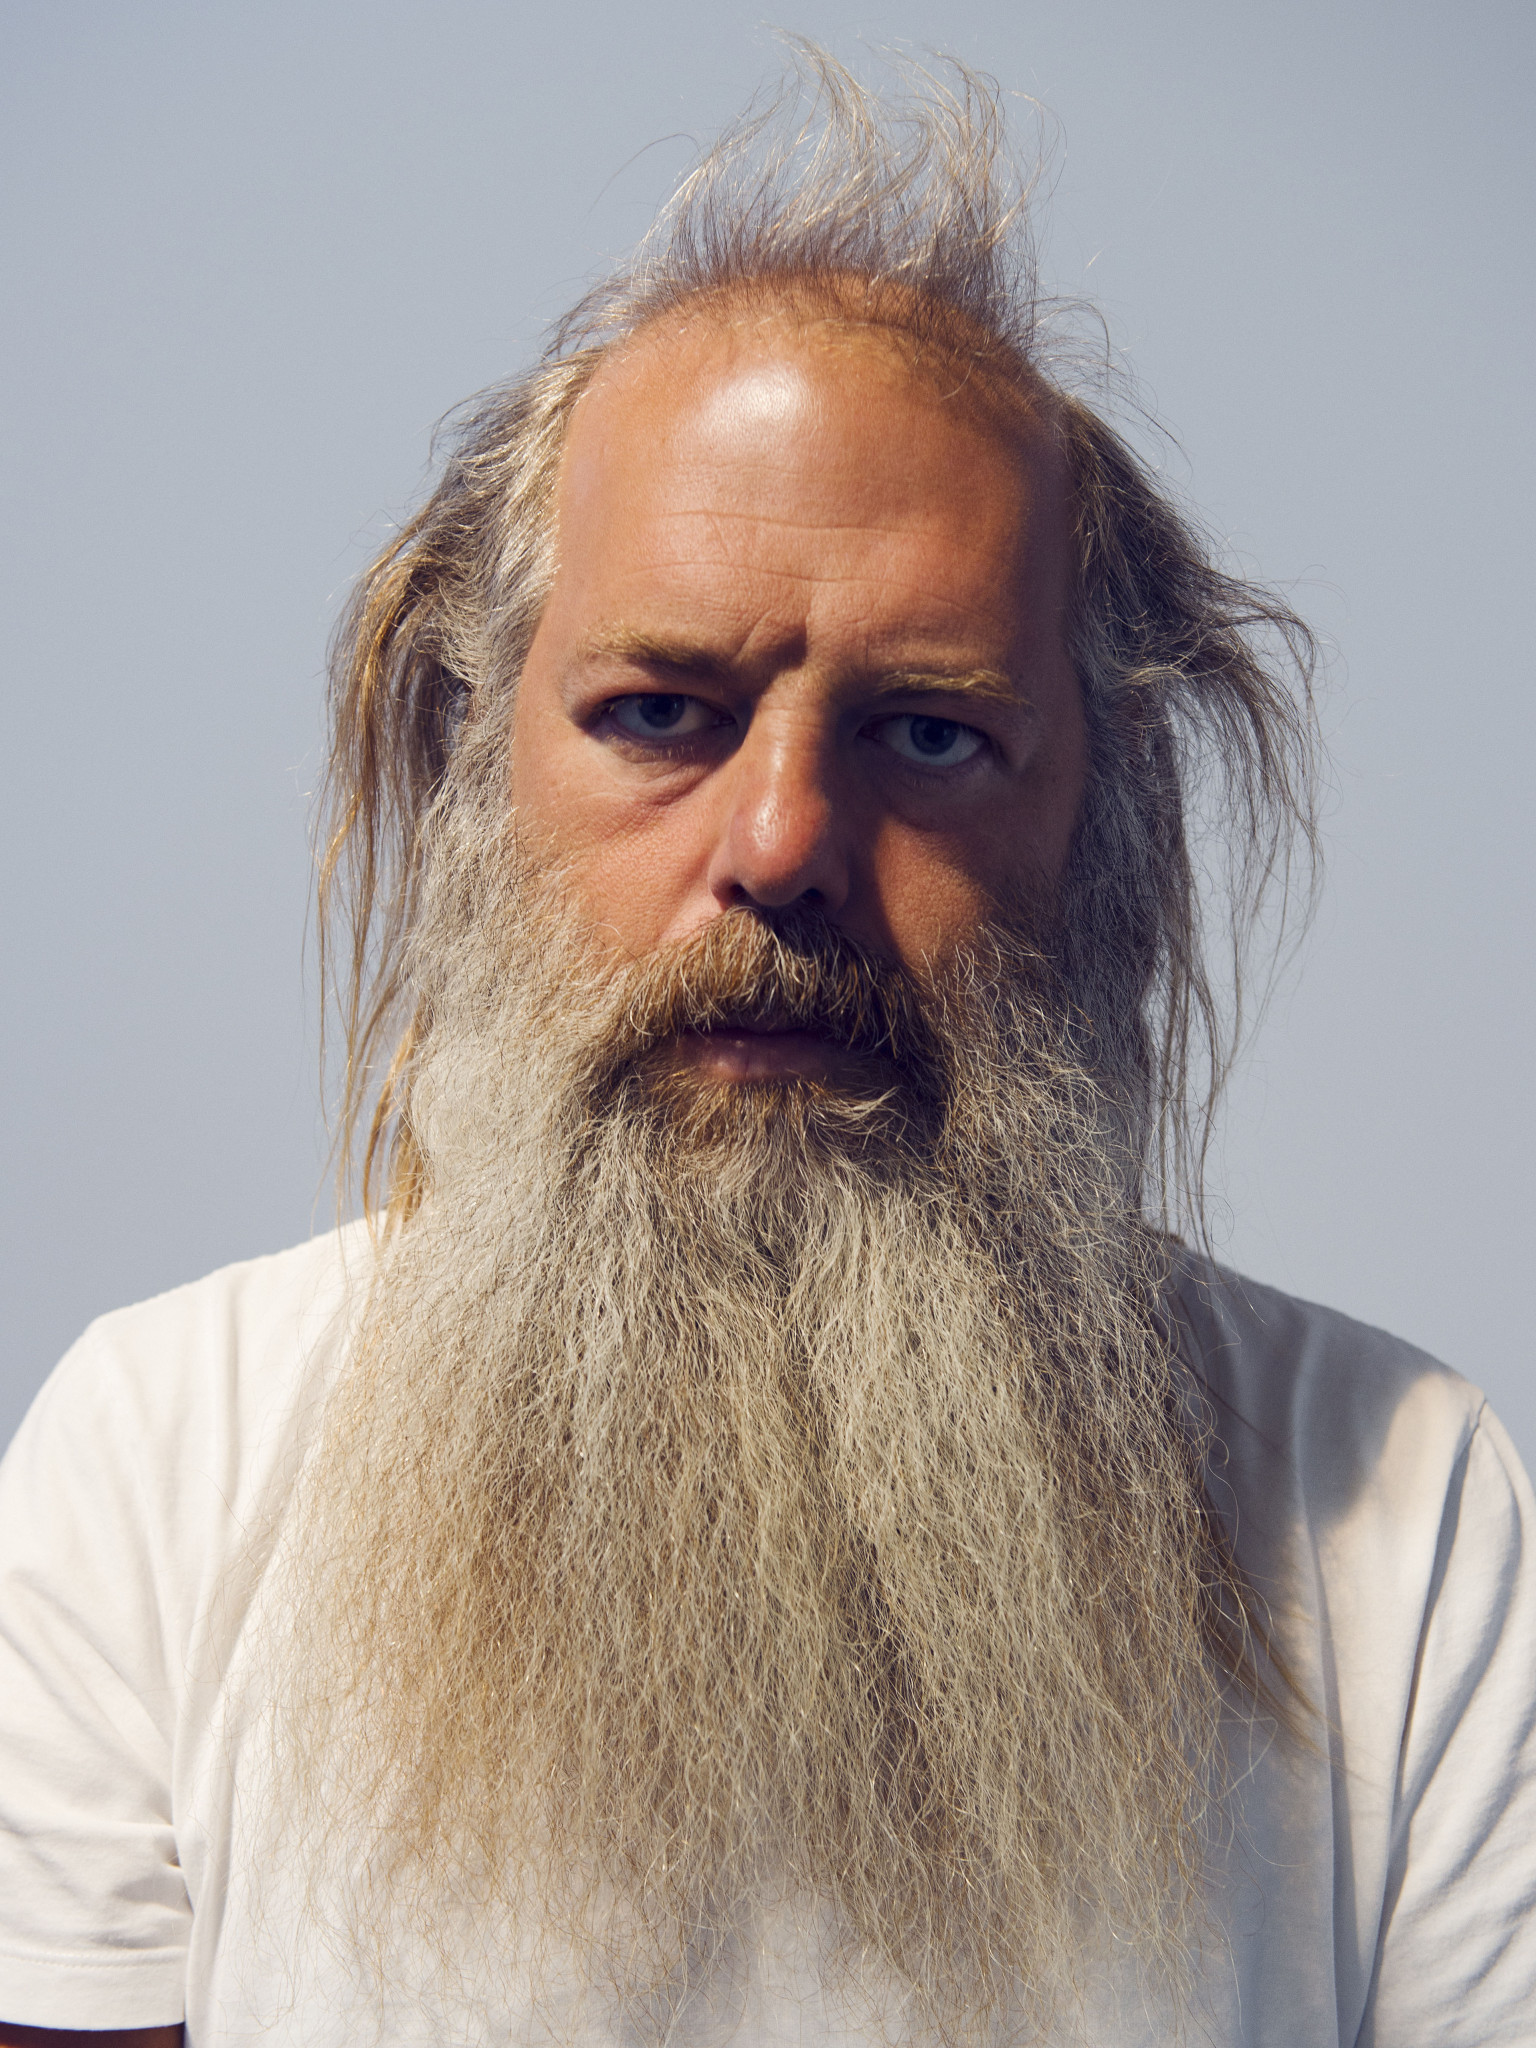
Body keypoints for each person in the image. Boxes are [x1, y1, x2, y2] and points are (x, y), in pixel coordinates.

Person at [1, 49, 1532, 2048]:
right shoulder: (160, 1455)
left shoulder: (1404, 1508)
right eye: (660, 713)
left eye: (930, 732)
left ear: (1104, 821)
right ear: (478, 765)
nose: (786, 841)